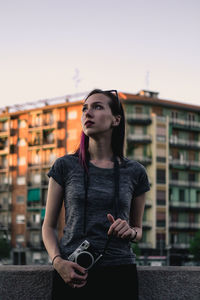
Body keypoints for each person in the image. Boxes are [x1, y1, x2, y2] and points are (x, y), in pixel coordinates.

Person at [42, 89, 150, 299]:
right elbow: (48, 226)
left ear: (116, 120)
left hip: (119, 273)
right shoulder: (65, 166)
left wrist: (130, 231)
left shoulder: (136, 172)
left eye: (97, 107)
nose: (87, 113)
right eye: (85, 108)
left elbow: (139, 230)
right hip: (71, 271)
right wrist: (58, 262)